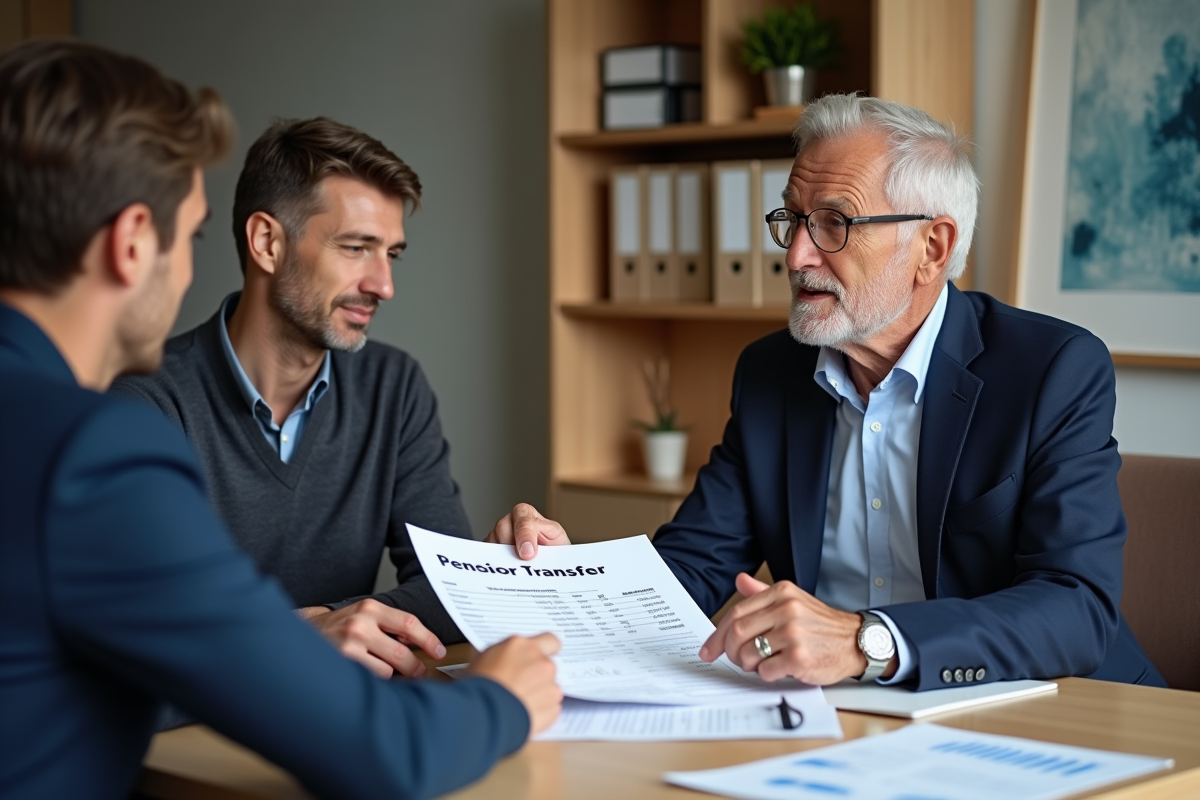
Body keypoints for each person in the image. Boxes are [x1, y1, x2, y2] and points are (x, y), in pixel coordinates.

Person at [0, 39, 561, 800]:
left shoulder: (390, 385)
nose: (383, 284)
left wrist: (487, 576)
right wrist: (499, 698)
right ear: (134, 242)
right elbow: (386, 754)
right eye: (188, 237)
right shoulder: (97, 445)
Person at [494, 94, 1166, 692]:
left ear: (931, 247)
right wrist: (564, 581)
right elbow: (693, 566)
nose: (796, 257)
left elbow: (1076, 606)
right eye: (793, 220)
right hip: (847, 720)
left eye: (835, 223)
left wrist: (866, 640)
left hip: (1060, 710)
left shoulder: (1050, 369)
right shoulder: (771, 373)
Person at [111, 116, 536, 680]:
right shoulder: (146, 404)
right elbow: (144, 636)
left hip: (336, 721)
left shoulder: (394, 387)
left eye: (392, 254)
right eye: (357, 248)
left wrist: (323, 629)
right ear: (267, 242)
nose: (383, 285)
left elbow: (450, 597)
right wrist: (294, 637)